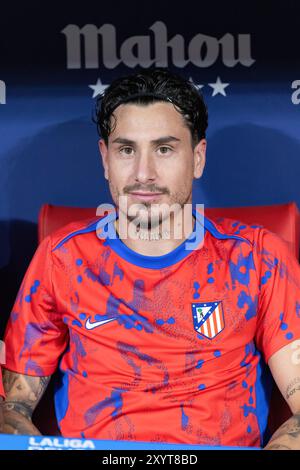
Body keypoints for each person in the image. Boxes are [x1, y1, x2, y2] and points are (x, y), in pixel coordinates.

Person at [1, 68, 300, 449]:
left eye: (164, 148)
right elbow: (13, 408)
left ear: (198, 158)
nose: (144, 174)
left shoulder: (257, 256)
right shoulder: (62, 258)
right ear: (105, 159)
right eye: (127, 150)